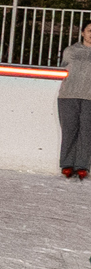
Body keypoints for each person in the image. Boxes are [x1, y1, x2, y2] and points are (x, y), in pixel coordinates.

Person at [60, 19, 91, 179]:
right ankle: (67, 164)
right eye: (89, 31)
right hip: (69, 95)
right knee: (69, 130)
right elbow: (62, 68)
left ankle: (82, 166)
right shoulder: (71, 51)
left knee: (87, 131)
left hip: (90, 97)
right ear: (83, 33)